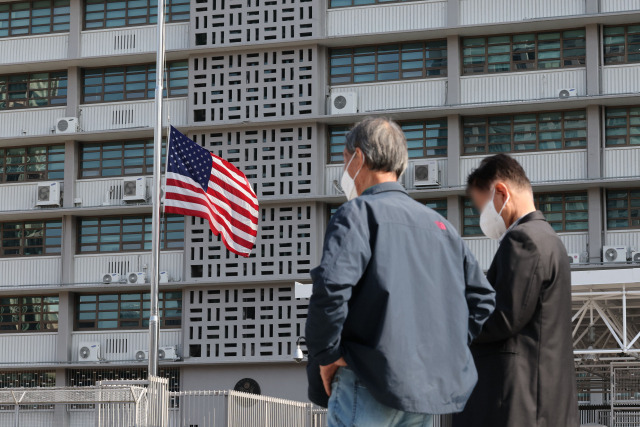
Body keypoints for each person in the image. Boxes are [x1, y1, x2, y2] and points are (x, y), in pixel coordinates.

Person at [305, 117, 496, 427]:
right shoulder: (442, 228)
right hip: (420, 391)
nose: (344, 171)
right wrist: (441, 348)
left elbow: (330, 288)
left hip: (364, 381)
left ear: (359, 158)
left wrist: (326, 354)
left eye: (344, 160)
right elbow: (482, 299)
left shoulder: (357, 214)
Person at [453, 154, 579, 427]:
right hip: (542, 401)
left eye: (481, 206)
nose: (480, 217)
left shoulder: (523, 239)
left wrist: (452, 319)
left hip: (516, 404)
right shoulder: (550, 240)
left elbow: (502, 317)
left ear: (501, 192)